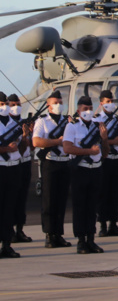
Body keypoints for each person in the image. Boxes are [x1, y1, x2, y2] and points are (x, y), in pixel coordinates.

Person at [63, 95, 109, 254]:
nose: (88, 111)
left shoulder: (98, 126)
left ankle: (91, 239)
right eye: (85, 109)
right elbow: (67, 148)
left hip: (95, 169)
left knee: (92, 206)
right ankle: (81, 240)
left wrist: (104, 139)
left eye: (90, 108)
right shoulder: (72, 127)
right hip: (80, 170)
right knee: (80, 206)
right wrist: (89, 151)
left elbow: (105, 153)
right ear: (78, 111)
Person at [32, 90, 73, 248]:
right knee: (49, 200)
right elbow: (36, 141)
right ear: (48, 106)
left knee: (61, 200)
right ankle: (49, 235)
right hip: (50, 163)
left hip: (64, 162)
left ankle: (58, 234)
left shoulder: (67, 121)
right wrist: (57, 142)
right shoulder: (42, 121)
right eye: (55, 103)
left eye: (60, 103)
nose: (58, 105)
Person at [94, 90, 118, 237]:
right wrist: (113, 141)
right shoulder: (97, 120)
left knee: (115, 193)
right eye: (107, 101)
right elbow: (99, 140)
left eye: (111, 101)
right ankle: (102, 224)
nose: (110, 104)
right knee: (103, 192)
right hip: (105, 159)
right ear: (101, 103)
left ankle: (113, 223)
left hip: (117, 158)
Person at [7, 93, 34, 244]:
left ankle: (19, 229)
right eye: (12, 105)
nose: (16, 107)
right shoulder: (8, 125)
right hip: (13, 164)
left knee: (22, 198)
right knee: (11, 199)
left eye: (18, 105)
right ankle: (9, 230)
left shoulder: (24, 123)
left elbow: (30, 146)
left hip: (25, 163)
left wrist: (29, 133)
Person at [0, 92, 22, 258]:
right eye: (1, 104)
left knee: (9, 208)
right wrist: (7, 149)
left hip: (13, 167)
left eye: (6, 104)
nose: (5, 107)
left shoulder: (14, 124)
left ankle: (7, 244)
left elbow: (20, 145)